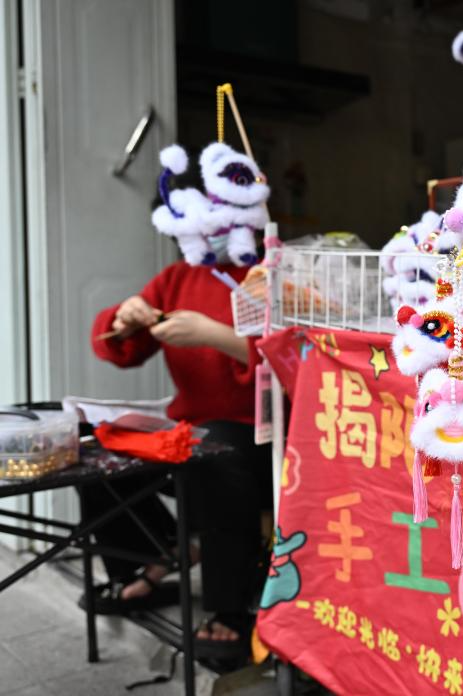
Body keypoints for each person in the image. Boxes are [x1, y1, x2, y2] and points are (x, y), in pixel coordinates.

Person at [83, 256, 271, 659]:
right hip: (188, 426)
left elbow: (295, 359)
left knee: (216, 456)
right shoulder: (179, 275)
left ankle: (230, 608)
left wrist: (214, 335)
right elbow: (120, 349)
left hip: (262, 432)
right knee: (97, 451)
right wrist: (124, 317)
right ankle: (152, 557)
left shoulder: (272, 271)